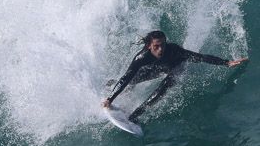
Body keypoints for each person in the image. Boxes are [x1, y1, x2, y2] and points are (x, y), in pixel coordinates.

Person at [102, 30, 248, 123]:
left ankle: (136, 114)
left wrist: (226, 63)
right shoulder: (141, 57)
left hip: (177, 69)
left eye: (163, 45)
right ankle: (113, 87)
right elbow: (126, 77)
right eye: (156, 47)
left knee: (163, 87)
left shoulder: (174, 51)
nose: (161, 50)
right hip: (159, 68)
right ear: (148, 46)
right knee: (131, 80)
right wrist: (110, 99)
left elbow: (200, 57)